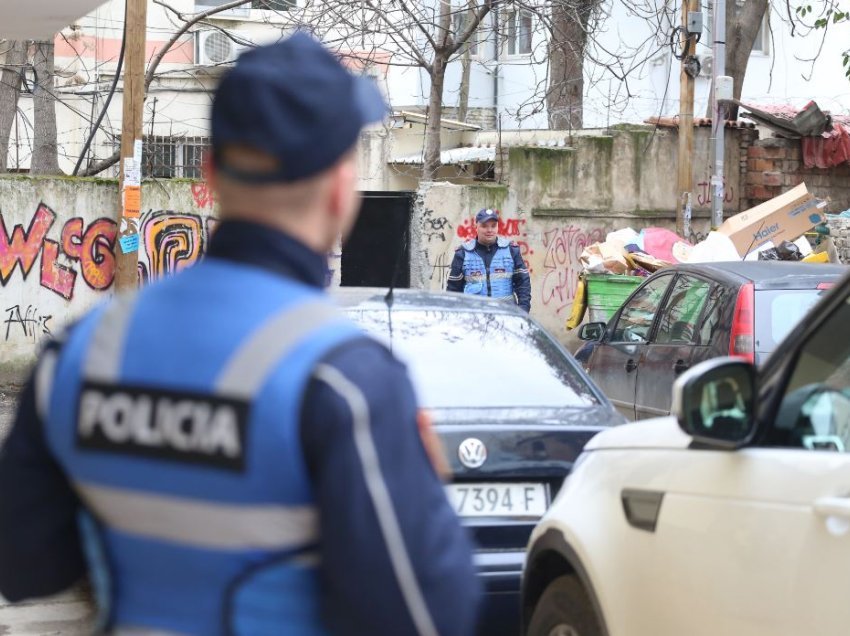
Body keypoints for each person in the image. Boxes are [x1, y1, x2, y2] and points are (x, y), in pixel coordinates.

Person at [0, 34, 480, 636]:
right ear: (339, 187)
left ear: (211, 173)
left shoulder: (80, 350)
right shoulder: (346, 380)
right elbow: (427, 614)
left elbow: (23, 567)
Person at [446, 208, 531, 311]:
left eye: (493, 226)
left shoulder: (511, 250)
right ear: (476, 226)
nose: (489, 230)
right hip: (474, 319)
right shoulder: (463, 253)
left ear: (498, 227)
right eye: (484, 226)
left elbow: (523, 284)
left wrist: (523, 312)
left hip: (506, 317)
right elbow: (453, 291)